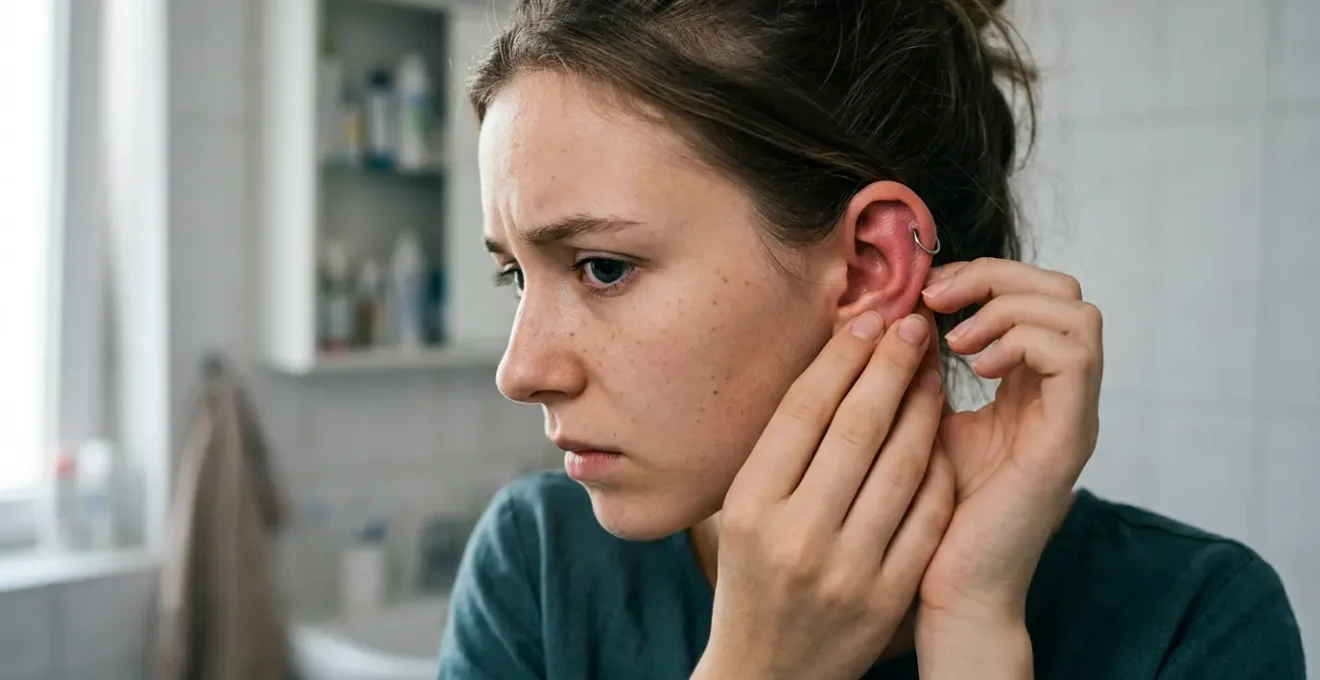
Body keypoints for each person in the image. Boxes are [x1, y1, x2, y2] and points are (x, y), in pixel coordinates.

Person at [436, 0, 1306, 678]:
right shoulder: (537, 566)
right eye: (516, 274)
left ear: (868, 262)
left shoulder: (1195, 622)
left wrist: (973, 630)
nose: (520, 371)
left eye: (601, 267)